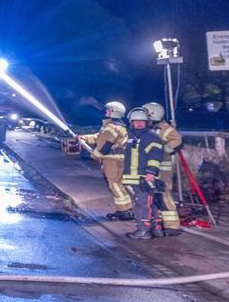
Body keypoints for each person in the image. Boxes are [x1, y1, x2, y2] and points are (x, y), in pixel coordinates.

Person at [78, 101, 132, 220]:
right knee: (118, 184)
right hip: (117, 159)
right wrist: (85, 138)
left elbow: (104, 146)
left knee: (115, 185)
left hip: (112, 160)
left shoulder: (111, 128)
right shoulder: (117, 126)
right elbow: (99, 137)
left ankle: (125, 211)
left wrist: (93, 155)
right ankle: (123, 209)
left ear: (113, 112)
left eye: (108, 110)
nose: (105, 112)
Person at [122, 107, 165, 240]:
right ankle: (156, 229)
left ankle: (143, 231)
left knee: (142, 205)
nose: (139, 123)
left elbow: (155, 156)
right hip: (135, 178)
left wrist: (150, 173)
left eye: (143, 121)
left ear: (147, 122)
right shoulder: (130, 136)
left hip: (144, 177)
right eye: (136, 121)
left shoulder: (151, 137)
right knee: (149, 203)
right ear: (131, 122)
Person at [143, 102, 184, 236]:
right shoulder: (150, 129)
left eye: (146, 113)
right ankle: (157, 223)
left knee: (165, 194)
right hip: (151, 168)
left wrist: (165, 149)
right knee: (153, 196)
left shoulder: (165, 129)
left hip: (163, 168)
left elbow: (176, 139)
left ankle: (172, 226)